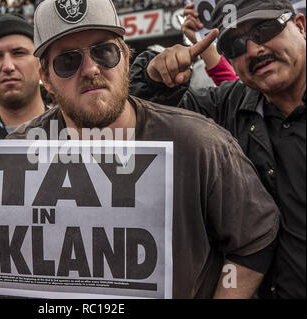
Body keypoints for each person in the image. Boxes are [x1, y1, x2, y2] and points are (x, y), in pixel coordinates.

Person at [0, 0, 280, 299]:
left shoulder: (197, 141)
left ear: (126, 58)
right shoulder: (12, 156)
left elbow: (253, 240)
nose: (91, 70)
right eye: (68, 61)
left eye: (104, 53)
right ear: (46, 79)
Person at [129, 0, 306, 299]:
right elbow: (138, 118)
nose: (253, 50)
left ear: (300, 26)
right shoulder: (227, 106)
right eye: (235, 45)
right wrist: (154, 78)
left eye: (263, 30)